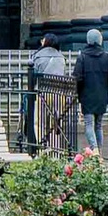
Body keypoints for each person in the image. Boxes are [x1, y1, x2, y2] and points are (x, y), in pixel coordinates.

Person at [23, 29, 74, 157]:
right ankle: (56, 149)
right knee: (56, 123)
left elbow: (33, 75)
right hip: (59, 93)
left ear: (45, 42)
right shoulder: (61, 58)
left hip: (43, 92)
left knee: (39, 122)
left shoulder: (38, 56)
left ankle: (42, 148)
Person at [71, 29, 108, 157]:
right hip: (101, 95)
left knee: (89, 124)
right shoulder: (106, 57)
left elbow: (77, 78)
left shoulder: (82, 57)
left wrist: (79, 92)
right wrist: (105, 87)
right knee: (98, 125)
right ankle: (99, 151)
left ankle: (94, 149)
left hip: (87, 95)